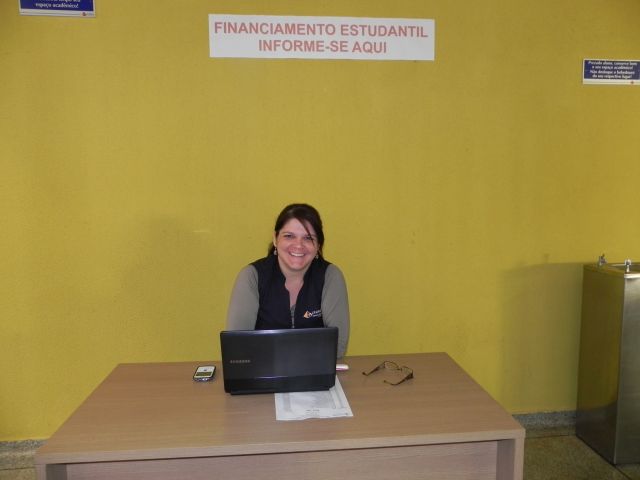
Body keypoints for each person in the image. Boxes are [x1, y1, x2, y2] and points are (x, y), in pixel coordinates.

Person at [226, 203, 350, 358]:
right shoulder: (251, 276)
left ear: (318, 245)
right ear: (275, 239)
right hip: (262, 371)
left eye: (308, 238)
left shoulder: (330, 276)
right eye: (289, 236)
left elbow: (337, 346)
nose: (298, 245)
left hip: (315, 371)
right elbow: (237, 346)